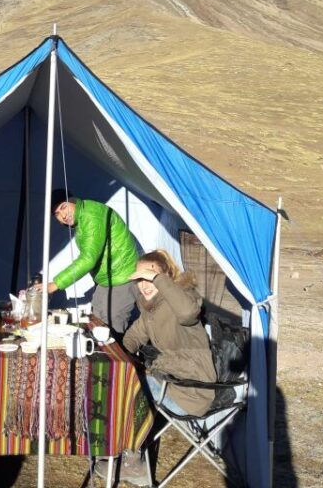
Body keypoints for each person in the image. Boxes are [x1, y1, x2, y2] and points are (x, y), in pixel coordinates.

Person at [105, 249, 217, 486]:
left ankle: (133, 464)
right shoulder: (151, 308)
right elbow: (133, 337)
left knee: (131, 389)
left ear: (165, 277)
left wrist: (158, 279)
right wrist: (114, 355)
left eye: (150, 278)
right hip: (172, 381)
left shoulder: (182, 299)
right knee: (120, 380)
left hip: (192, 390)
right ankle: (120, 449)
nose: (144, 285)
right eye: (140, 279)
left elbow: (188, 313)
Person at [42, 189, 139, 334]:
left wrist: (55, 284)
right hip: (107, 278)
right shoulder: (82, 217)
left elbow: (88, 258)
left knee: (112, 327)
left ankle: (119, 349)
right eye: (57, 214)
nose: (63, 215)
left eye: (63, 207)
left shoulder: (91, 216)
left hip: (122, 276)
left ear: (73, 201)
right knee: (97, 321)